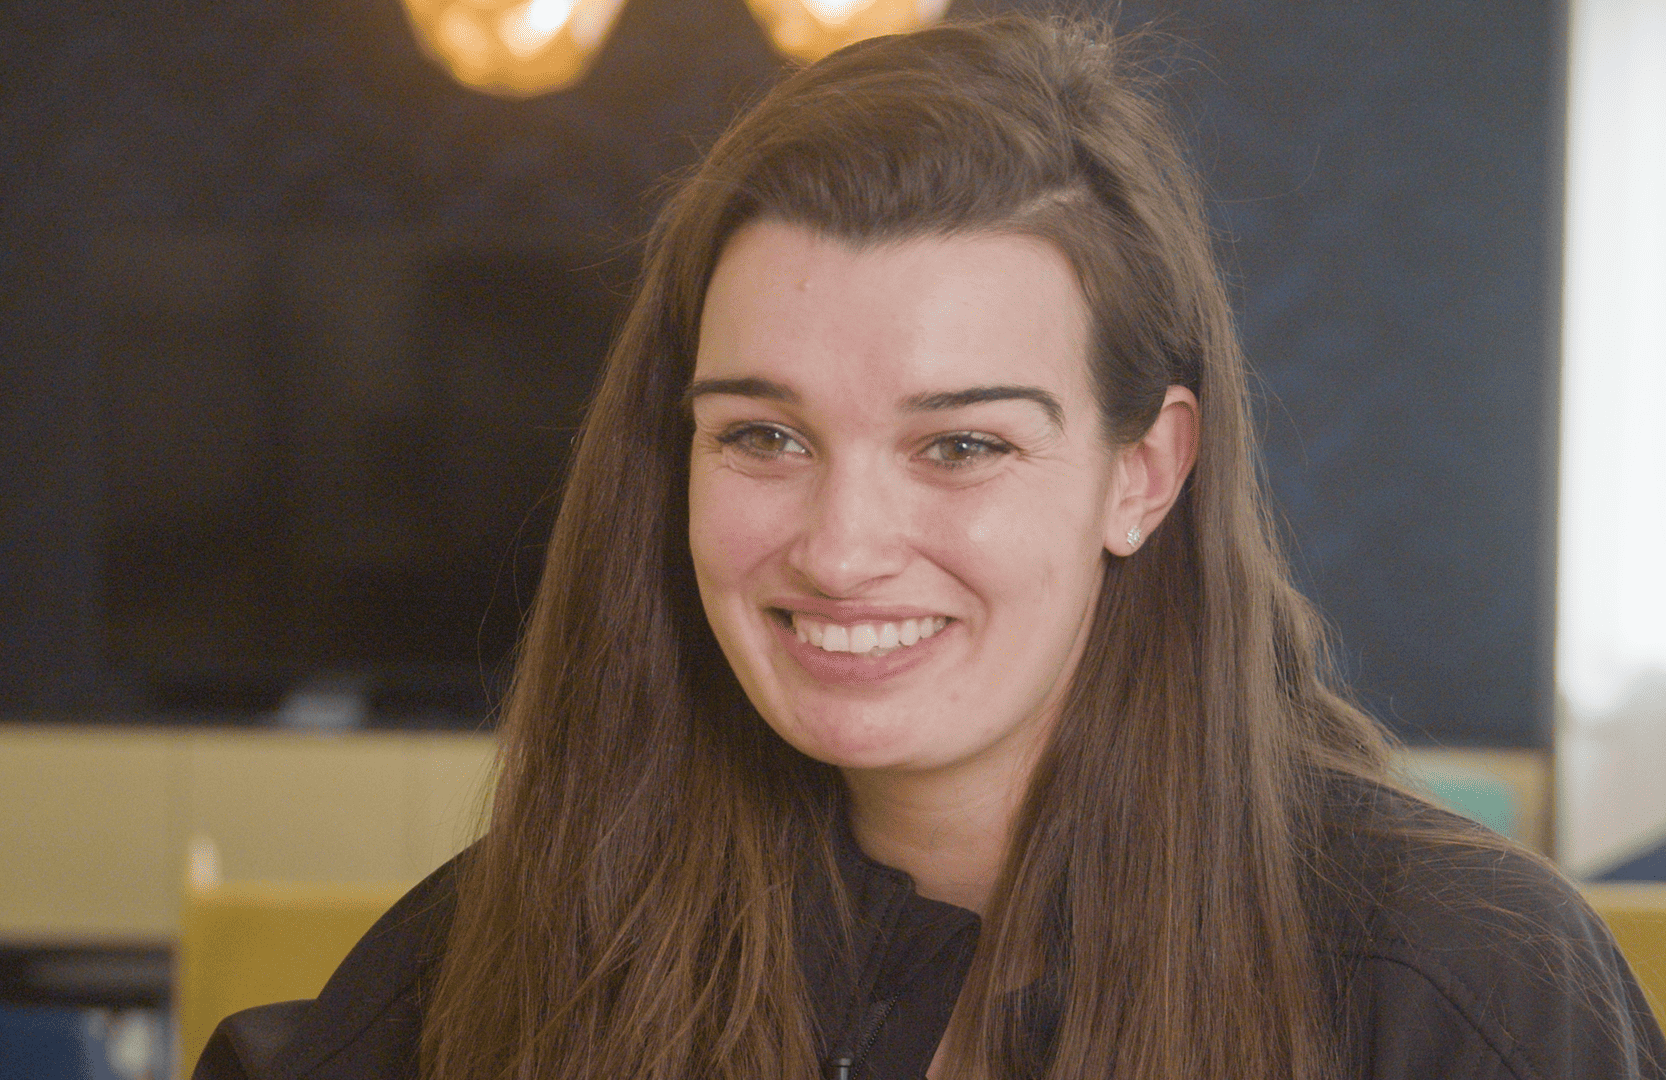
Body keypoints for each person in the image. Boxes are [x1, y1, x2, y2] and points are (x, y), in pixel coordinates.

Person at [196, 14, 1665, 1080]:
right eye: (762, 436)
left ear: (1143, 472)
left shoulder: (1461, 989)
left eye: (961, 446)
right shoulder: (511, 943)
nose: (841, 549)